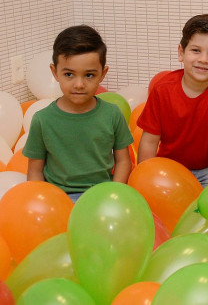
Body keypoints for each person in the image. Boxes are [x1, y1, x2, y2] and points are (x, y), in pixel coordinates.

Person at [24, 25, 133, 202]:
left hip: (101, 196)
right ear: (55, 72)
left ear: (102, 74)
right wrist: (42, 202)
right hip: (59, 199)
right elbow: (35, 172)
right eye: (69, 74)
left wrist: (114, 194)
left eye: (89, 75)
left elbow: (123, 161)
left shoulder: (112, 114)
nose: (79, 84)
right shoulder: (42, 120)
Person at [137, 14, 208, 187]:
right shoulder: (163, 89)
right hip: (171, 167)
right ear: (181, 52)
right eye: (196, 50)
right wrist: (144, 181)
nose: (203, 59)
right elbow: (149, 141)